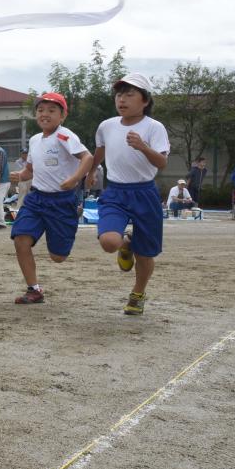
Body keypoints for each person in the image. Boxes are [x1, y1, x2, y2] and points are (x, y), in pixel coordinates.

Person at [88, 73, 170, 316]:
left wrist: (143, 146)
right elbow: (100, 150)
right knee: (108, 242)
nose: (122, 99)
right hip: (116, 191)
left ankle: (138, 293)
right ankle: (126, 244)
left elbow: (162, 163)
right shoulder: (107, 125)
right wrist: (92, 170)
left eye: (129, 94)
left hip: (145, 192)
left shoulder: (154, 128)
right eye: (119, 95)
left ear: (145, 101)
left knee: (146, 254)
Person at [7, 93, 93, 304]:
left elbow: (87, 157)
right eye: (41, 110)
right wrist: (20, 176)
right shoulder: (35, 140)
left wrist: (74, 179)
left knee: (58, 257)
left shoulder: (65, 136)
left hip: (62, 202)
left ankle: (71, 220)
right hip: (36, 199)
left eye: (52, 111)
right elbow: (30, 171)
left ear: (62, 115)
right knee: (20, 239)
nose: (45, 114)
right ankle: (33, 289)